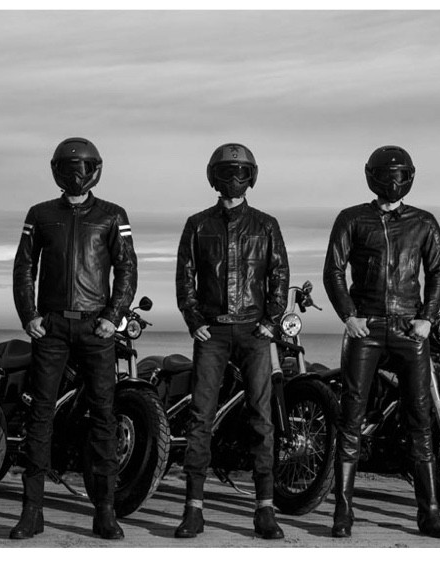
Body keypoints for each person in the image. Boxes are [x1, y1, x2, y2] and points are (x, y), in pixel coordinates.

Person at [323, 145, 440, 539]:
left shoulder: (423, 222)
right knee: (351, 419)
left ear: (408, 178)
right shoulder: (352, 218)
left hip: (409, 329)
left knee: (420, 420)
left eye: (400, 175)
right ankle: (343, 513)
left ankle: (429, 514)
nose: (393, 182)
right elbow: (333, 270)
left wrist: (427, 318)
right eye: (387, 174)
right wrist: (349, 316)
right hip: (365, 328)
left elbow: (437, 271)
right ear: (373, 177)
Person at [11, 137, 137, 540]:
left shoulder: (113, 215)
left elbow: (127, 269)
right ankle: (32, 512)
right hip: (51, 328)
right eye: (68, 167)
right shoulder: (40, 214)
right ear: (57, 171)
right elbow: (24, 267)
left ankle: (105, 512)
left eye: (82, 167)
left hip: (96, 327)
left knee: (103, 418)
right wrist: (29, 315)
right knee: (40, 415)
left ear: (94, 170)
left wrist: (113, 317)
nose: (75, 174)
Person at [174, 143, 290, 539]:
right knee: (200, 418)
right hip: (212, 332)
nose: (234, 178)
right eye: (227, 171)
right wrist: (194, 320)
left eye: (241, 172)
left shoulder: (266, 224)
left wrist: (271, 322)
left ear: (251, 177)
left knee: (262, 419)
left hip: (255, 332)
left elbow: (279, 275)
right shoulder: (197, 224)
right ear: (214, 177)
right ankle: (193, 510)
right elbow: (185, 277)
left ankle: (265, 510)